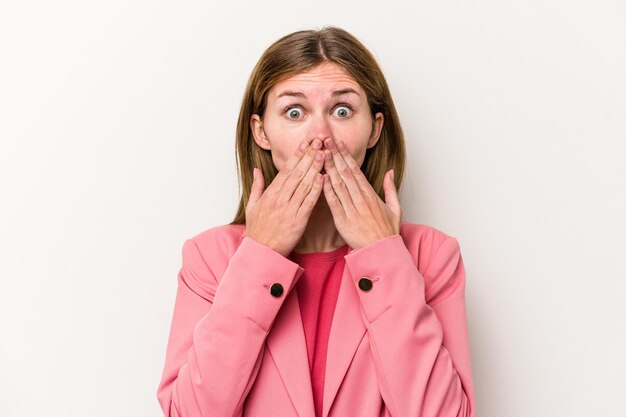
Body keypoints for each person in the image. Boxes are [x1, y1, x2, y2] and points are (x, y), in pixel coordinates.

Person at [156, 26, 475, 417]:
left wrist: (383, 255)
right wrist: (261, 255)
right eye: (295, 112)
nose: (321, 135)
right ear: (261, 132)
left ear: (374, 129)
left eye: (342, 111)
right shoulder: (209, 258)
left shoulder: (431, 256)